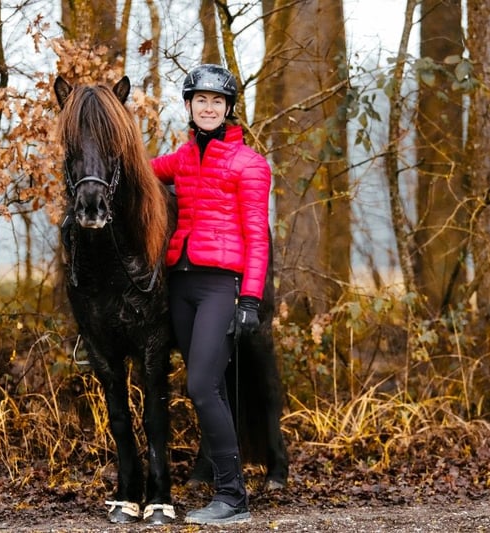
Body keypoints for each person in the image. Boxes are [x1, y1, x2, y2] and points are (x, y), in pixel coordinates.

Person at [151, 64, 272, 525]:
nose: (208, 108)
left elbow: (256, 237)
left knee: (201, 386)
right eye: (200, 100)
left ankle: (232, 497)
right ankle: (228, 491)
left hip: (222, 286)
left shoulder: (250, 164)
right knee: (211, 387)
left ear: (228, 109)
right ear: (188, 105)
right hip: (180, 284)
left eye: (216, 101)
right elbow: (141, 173)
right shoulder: (181, 159)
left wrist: (250, 300)